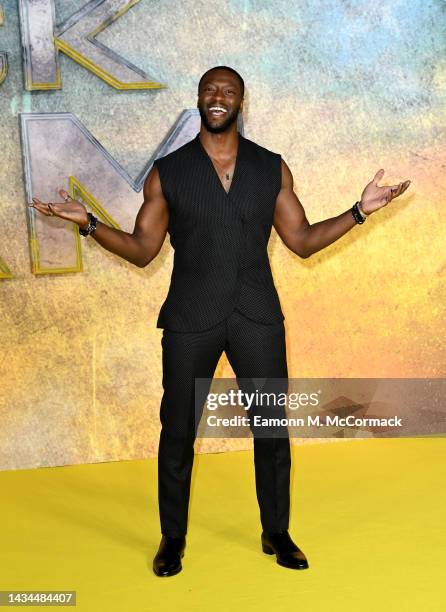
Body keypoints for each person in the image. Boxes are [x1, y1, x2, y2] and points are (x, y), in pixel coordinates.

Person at [30, 65, 411, 578]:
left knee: (272, 432)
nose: (218, 97)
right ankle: (172, 538)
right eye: (210, 89)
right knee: (177, 432)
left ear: (240, 103)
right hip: (191, 317)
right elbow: (144, 251)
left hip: (257, 316)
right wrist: (92, 224)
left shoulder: (271, 167)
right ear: (199, 99)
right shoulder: (169, 171)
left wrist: (359, 212)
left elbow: (300, 240)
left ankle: (276, 531)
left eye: (228, 91)